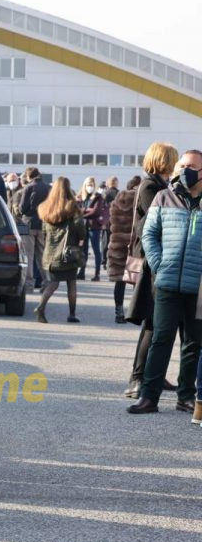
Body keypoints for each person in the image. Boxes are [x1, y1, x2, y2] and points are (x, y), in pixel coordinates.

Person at [127, 150, 202, 415]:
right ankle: (149, 397)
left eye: (191, 166)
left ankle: (186, 396)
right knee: (161, 338)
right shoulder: (163, 196)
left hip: (199, 286)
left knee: (193, 342)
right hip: (167, 282)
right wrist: (160, 265)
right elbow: (149, 234)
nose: (185, 170)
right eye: (182, 165)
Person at [124, 142, 179, 398]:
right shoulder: (150, 187)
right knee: (151, 322)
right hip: (151, 264)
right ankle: (138, 377)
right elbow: (148, 226)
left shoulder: (158, 185)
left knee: (157, 323)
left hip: (155, 262)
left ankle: (152, 374)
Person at [34, 177, 86, 324]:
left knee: (53, 283)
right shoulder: (72, 207)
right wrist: (80, 238)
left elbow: (44, 232)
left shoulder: (46, 208)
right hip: (68, 254)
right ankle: (72, 314)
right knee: (71, 283)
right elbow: (80, 229)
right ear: (68, 189)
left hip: (50, 254)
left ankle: (41, 307)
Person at [105, 177, 139, 323]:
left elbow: (109, 225)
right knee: (137, 280)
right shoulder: (140, 200)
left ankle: (118, 311)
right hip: (135, 246)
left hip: (118, 245)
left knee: (120, 281)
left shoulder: (116, 203)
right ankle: (135, 312)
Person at [20, 167, 50, 291]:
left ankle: (29, 284)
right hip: (43, 224)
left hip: (29, 224)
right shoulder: (48, 188)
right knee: (42, 255)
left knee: (29, 255)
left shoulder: (28, 187)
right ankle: (47, 282)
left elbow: (22, 208)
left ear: (28, 176)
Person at [76, 176, 107, 281]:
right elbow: (76, 209)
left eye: (92, 185)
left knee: (96, 251)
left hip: (94, 227)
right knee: (83, 251)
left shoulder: (98, 197)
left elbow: (96, 212)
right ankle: (82, 272)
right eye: (88, 184)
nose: (90, 187)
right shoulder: (81, 197)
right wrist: (86, 210)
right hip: (83, 227)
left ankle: (97, 274)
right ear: (84, 185)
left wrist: (83, 213)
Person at [102, 176, 120, 272]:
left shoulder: (105, 194)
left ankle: (104, 261)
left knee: (105, 242)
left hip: (106, 221)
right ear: (116, 183)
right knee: (114, 243)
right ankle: (112, 261)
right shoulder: (119, 193)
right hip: (116, 221)